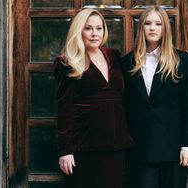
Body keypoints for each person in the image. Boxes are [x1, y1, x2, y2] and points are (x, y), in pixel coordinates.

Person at [54, 9, 133, 188]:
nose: (95, 33)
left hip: (115, 143)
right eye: (88, 28)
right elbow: (63, 109)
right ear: (79, 30)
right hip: (84, 146)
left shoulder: (113, 55)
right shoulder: (67, 62)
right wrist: (65, 151)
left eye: (99, 28)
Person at [121, 6, 188, 188]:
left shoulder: (183, 61)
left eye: (158, 24)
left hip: (173, 148)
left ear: (165, 29)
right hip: (141, 148)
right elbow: (125, 107)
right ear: (141, 28)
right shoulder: (127, 63)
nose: (152, 28)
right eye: (147, 23)